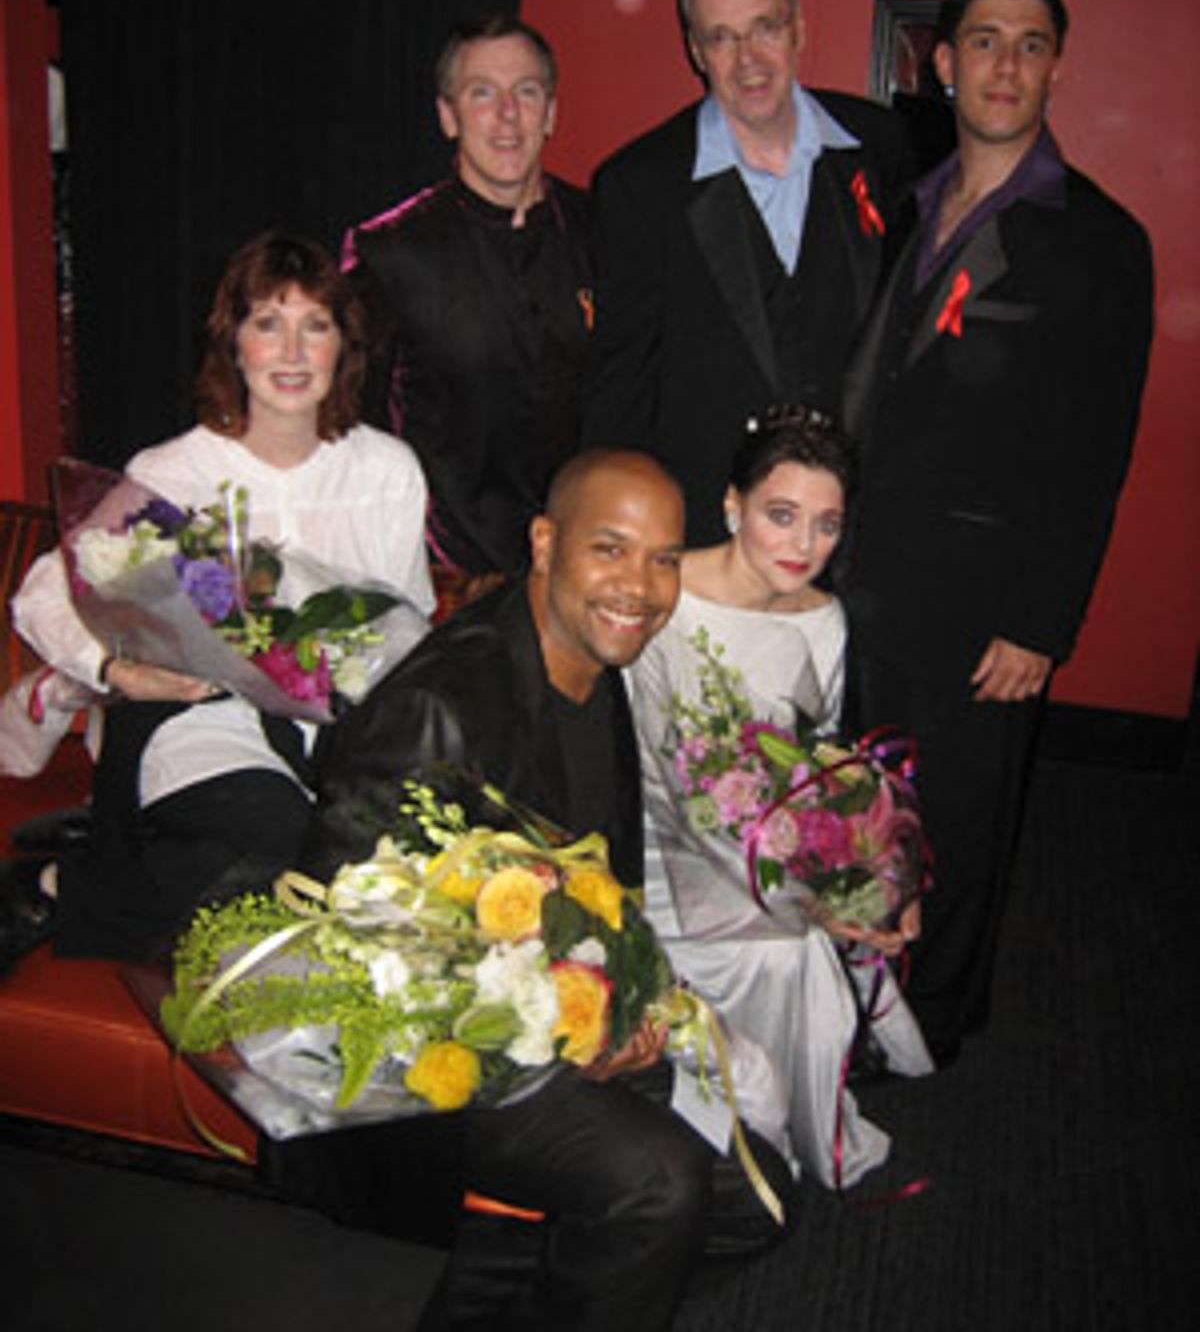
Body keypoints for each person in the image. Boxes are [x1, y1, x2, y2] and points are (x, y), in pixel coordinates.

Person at [279, 449, 797, 1332]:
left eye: (664, 558)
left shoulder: (602, 664)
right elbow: (345, 948)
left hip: (564, 1021)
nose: (640, 585)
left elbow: (603, 885)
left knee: (759, 1204)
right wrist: (548, 1035)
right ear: (546, 542)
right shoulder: (438, 709)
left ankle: (508, 1271)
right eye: (611, 548)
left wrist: (625, 1005)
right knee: (659, 1187)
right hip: (429, 1071)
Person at [839, 0, 1154, 1066]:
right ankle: (852, 990)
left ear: (1057, 64)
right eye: (984, 41)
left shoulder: (1100, 240)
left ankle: (933, 1020)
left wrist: (1042, 621)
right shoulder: (907, 199)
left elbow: (1092, 452)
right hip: (866, 568)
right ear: (943, 61)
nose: (1005, 64)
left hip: (984, 597)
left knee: (960, 825)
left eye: (1029, 43)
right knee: (861, 801)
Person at [0, 233, 434, 971]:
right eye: (268, 323)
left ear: (344, 346)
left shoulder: (387, 470)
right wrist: (115, 671)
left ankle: (61, 880)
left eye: (315, 326)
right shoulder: (172, 471)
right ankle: (90, 859)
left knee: (365, 875)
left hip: (333, 730)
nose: (292, 351)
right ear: (235, 344)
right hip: (194, 710)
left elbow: (407, 629)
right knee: (280, 845)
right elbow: (45, 590)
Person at [626, 407, 932, 1190]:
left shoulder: (823, 619)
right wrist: (802, 899)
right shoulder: (665, 595)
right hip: (651, 841)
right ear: (733, 505)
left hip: (762, 843)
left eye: (826, 525)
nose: (803, 547)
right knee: (785, 953)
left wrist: (865, 868)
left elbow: (821, 763)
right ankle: (744, 1128)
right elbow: (648, 775)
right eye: (781, 516)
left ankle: (778, 1126)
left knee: (801, 940)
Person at [585, 0, 911, 543]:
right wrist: (617, 535)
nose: (748, 60)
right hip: (706, 532)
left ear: (798, 29)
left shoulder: (881, 144)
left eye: (764, 28)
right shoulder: (640, 184)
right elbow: (620, 383)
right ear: (695, 52)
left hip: (851, 532)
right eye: (722, 38)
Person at [342, 15, 593, 596]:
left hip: (579, 575)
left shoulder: (602, 232)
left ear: (551, 112)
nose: (507, 114)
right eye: (482, 93)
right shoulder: (391, 250)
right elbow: (350, 428)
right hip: (445, 581)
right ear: (448, 116)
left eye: (526, 92)